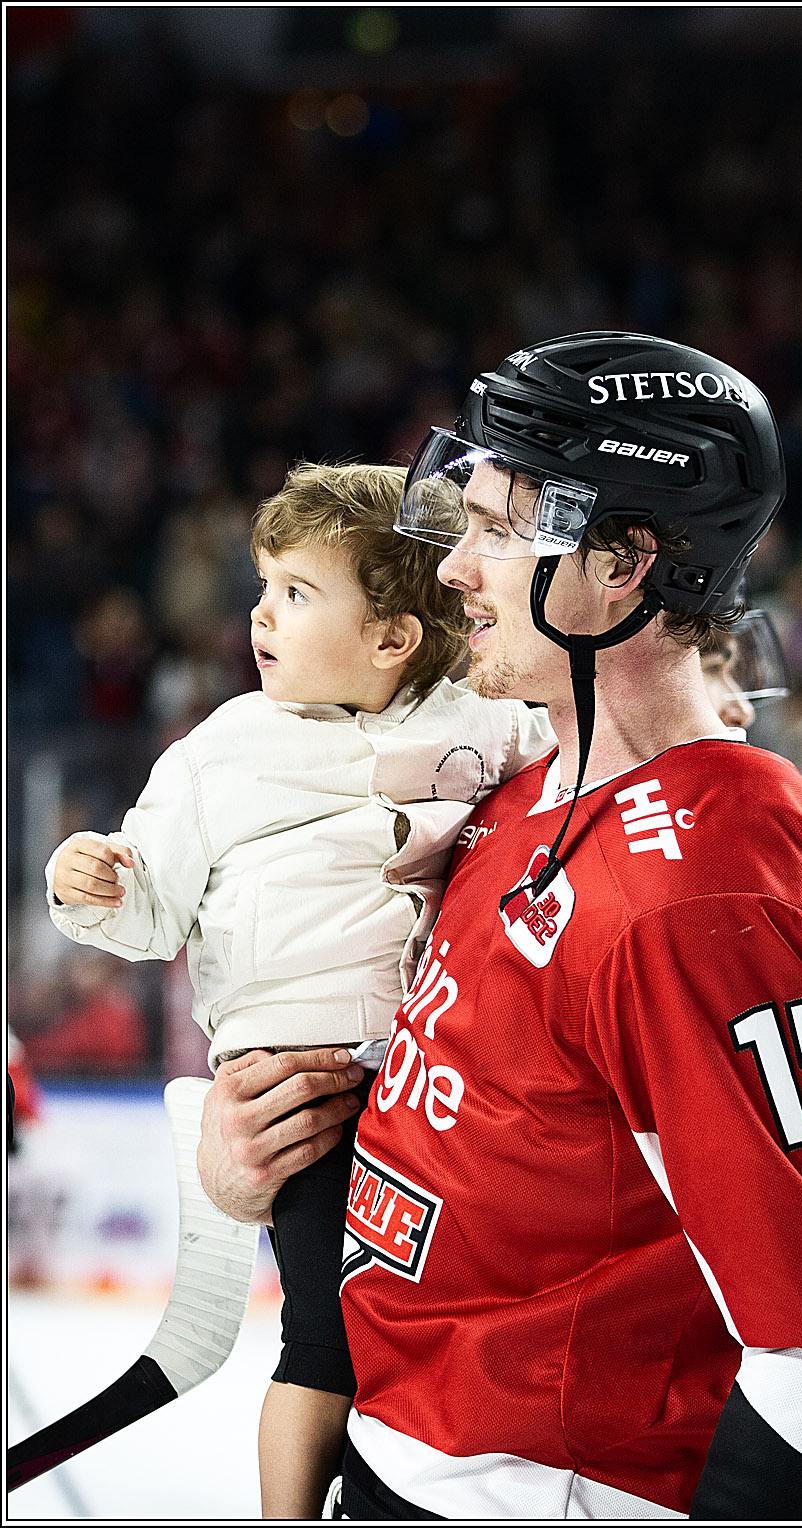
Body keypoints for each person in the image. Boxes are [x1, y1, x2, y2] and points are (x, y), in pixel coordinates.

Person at [197, 335, 802, 1522]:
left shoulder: (699, 888)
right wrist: (256, 1155)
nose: (454, 566)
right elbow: (509, 1132)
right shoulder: (524, 786)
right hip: (409, 1452)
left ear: (622, 562)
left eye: (501, 529)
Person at [44, 461, 554, 1520]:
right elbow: (149, 909)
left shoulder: (484, 722)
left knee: (435, 1320)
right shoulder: (221, 752)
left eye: (294, 592)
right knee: (326, 1336)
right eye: (264, 585)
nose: (259, 613)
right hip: (300, 1093)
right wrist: (92, 885)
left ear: (392, 640)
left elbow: (584, 753)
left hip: (437, 1079)